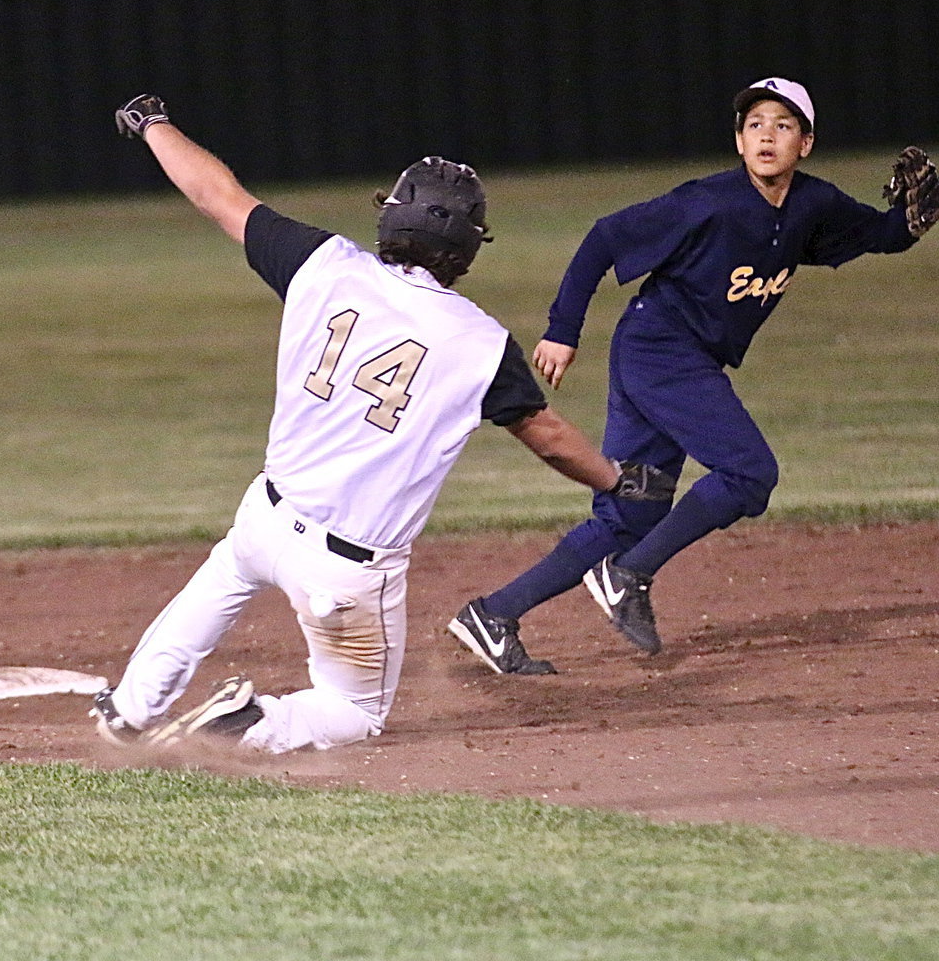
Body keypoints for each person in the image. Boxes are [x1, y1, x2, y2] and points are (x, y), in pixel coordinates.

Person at [90, 94, 666, 752]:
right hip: (347, 571)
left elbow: (215, 194)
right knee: (355, 710)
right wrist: (615, 479)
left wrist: (153, 125)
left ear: (390, 216)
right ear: (468, 247)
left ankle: (130, 709)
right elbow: (551, 439)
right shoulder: (481, 343)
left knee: (225, 577)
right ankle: (249, 725)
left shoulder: (320, 262)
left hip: (268, 514)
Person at [448, 77, 939, 672]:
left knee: (634, 509)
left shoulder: (813, 204)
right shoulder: (708, 201)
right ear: (739, 141)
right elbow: (606, 237)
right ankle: (628, 574)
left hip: (673, 358)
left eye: (783, 125)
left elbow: (878, 235)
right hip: (659, 351)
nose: (767, 135)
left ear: (806, 143)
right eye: (755, 125)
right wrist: (562, 329)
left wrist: (910, 222)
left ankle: (493, 614)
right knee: (749, 472)